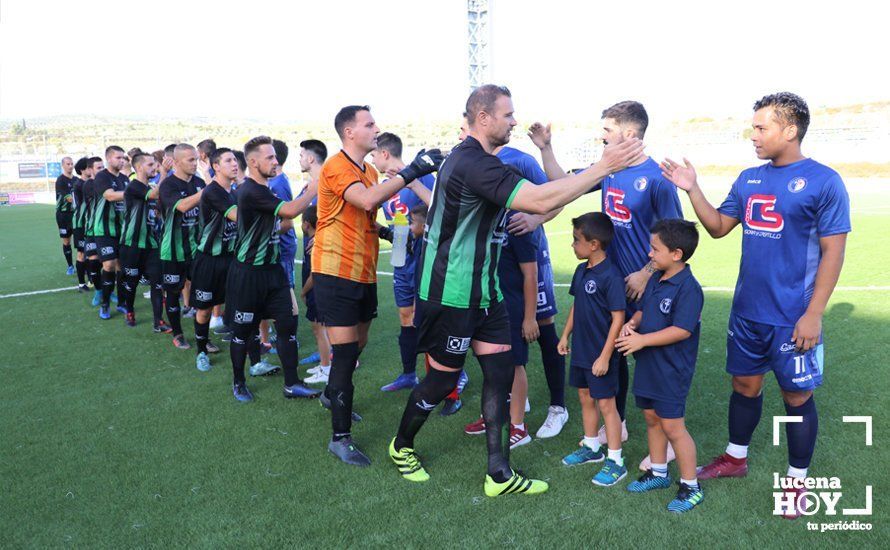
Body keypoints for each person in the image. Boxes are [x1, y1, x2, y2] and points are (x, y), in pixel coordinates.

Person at [388, 84, 643, 496]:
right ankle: (401, 446)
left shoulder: (486, 162)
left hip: (486, 295)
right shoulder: (473, 163)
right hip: (451, 294)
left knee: (500, 378)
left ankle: (499, 474)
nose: (514, 121)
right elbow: (541, 201)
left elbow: (544, 196)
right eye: (508, 114)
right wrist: (602, 168)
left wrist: (588, 170)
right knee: (439, 381)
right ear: (483, 118)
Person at [661, 92, 851, 519]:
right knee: (744, 386)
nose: (754, 135)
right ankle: (735, 457)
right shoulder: (749, 179)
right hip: (747, 312)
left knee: (796, 396)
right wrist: (693, 189)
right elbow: (716, 228)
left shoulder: (824, 181)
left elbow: (833, 252)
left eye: (762, 127)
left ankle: (796, 481)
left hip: (793, 317)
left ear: (790, 130)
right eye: (754, 127)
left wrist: (814, 313)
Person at [528, 101, 684, 464]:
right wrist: (545, 148)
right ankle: (622, 424)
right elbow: (562, 184)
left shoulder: (657, 179)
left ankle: (671, 440)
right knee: (613, 356)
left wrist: (646, 273)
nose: (601, 136)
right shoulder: (608, 171)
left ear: (629, 134)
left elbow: (677, 238)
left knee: (654, 362)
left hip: (649, 287)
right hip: (612, 288)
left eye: (607, 130)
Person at [312, 105, 443, 466]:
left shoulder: (368, 169)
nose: (376, 128)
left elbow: (366, 214)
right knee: (345, 354)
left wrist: (388, 232)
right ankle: (340, 438)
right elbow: (368, 199)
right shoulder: (336, 166)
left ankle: (331, 394)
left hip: (363, 271)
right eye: (369, 124)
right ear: (349, 132)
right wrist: (414, 169)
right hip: (335, 271)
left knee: (357, 346)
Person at [617, 219, 704, 513]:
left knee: (673, 427)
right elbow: (645, 310)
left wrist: (642, 341)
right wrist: (632, 322)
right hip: (648, 365)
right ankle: (658, 472)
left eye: (655, 249)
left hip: (671, 369)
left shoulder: (689, 289)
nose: (650, 254)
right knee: (651, 418)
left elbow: (682, 330)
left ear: (677, 254)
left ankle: (691, 486)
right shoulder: (656, 278)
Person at [226, 135, 319, 402]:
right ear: (253, 162)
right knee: (243, 332)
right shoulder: (251, 191)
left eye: (275, 157)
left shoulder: (266, 190)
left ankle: (292, 384)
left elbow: (280, 221)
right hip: (248, 274)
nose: (275, 161)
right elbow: (289, 212)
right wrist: (315, 186)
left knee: (287, 325)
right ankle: (239, 382)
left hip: (273, 271)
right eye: (269, 157)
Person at [558, 213, 627, 488]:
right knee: (585, 397)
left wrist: (605, 355)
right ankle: (591, 447)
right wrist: (565, 335)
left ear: (595, 244)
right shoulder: (581, 270)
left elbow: (618, 318)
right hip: (581, 350)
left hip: (601, 353)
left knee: (607, 405)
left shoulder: (611, 275)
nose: (573, 245)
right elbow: (577, 306)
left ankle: (615, 461)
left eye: (577, 240)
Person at [369, 132, 435, 394]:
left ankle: (453, 376)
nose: (372, 158)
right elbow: (399, 226)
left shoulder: (419, 175)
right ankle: (409, 374)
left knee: (427, 319)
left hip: (423, 260)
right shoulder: (387, 185)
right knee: (405, 317)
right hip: (400, 260)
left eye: (374, 154)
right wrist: (383, 231)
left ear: (385, 153)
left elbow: (436, 212)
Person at [191, 148, 240, 372]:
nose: (234, 164)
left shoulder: (235, 191)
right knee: (204, 309)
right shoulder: (212, 191)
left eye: (235, 160)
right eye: (228, 160)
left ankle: (249, 349)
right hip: (209, 260)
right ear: (216, 167)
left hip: (230, 260)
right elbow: (236, 216)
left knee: (238, 304)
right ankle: (201, 351)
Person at [158, 144, 205, 349]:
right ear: (176, 162)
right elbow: (183, 206)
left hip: (197, 250)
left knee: (203, 294)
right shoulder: (168, 185)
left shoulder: (199, 183)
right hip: (173, 251)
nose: (195, 163)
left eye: (196, 159)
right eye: (190, 160)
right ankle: (177, 333)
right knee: (173, 293)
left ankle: (203, 338)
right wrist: (208, 191)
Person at [118, 152, 164, 328]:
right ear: (138, 167)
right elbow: (153, 196)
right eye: (150, 165)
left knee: (157, 283)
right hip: (132, 244)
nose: (155, 168)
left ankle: (158, 321)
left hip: (152, 245)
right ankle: (129, 311)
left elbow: (156, 206)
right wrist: (165, 174)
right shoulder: (133, 186)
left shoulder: (151, 185)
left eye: (155, 164)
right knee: (131, 282)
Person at [92, 146, 129, 320]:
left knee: (122, 267)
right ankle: (105, 302)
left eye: (123, 158)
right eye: (118, 157)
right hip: (104, 230)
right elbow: (110, 196)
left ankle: (122, 302)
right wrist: (135, 193)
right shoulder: (101, 177)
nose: (121, 160)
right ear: (108, 159)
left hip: (122, 231)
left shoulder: (124, 179)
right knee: (109, 265)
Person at [299, 205, 331, 384]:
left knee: (319, 331)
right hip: (318, 292)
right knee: (320, 330)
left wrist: (303, 292)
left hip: (316, 291)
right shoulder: (314, 239)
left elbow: (314, 273)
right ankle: (324, 363)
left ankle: (326, 368)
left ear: (306, 224)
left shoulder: (315, 243)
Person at [82, 156, 105, 306]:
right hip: (91, 230)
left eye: (103, 167)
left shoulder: (107, 181)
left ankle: (109, 292)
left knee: (112, 264)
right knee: (94, 261)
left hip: (107, 230)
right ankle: (98, 291)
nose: (102, 170)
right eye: (99, 168)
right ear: (90, 170)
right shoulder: (89, 185)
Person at [71, 157, 92, 291]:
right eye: (89, 167)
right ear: (82, 170)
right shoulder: (78, 186)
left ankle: (92, 279)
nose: (91, 169)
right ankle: (81, 284)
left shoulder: (92, 183)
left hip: (91, 223)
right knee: (81, 253)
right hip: (80, 223)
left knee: (92, 252)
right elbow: (77, 206)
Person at [54, 156, 76, 275]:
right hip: (63, 215)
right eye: (68, 164)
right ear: (63, 165)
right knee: (67, 241)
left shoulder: (76, 180)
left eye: (72, 163)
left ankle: (83, 265)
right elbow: (67, 198)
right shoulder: (60, 180)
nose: (70, 166)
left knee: (81, 241)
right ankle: (70, 266)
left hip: (76, 215)